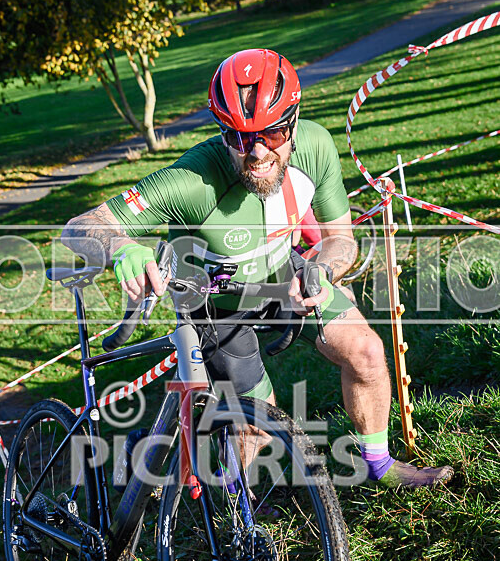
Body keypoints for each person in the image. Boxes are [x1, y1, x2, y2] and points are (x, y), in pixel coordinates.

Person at [62, 48, 453, 488]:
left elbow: (341, 239)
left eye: (272, 132)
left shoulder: (316, 147)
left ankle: (381, 468)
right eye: (239, 137)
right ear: (222, 132)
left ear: (294, 120)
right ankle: (236, 508)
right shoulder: (193, 180)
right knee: (258, 424)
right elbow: (80, 226)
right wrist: (120, 248)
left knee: (367, 353)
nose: (257, 152)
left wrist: (320, 270)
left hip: (280, 271)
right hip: (214, 300)